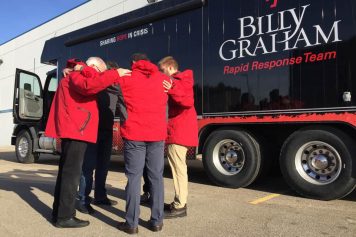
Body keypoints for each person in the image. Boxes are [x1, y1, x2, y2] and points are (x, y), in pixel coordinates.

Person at [45, 57, 130, 228]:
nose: (99, 76)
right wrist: (115, 74)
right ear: (92, 67)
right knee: (71, 175)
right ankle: (65, 217)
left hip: (74, 129)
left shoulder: (75, 74)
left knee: (66, 174)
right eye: (100, 72)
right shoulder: (79, 75)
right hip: (76, 130)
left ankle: (59, 213)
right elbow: (89, 85)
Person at [115, 53, 170, 234]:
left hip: (134, 135)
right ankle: (157, 221)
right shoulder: (163, 79)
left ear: (133, 63)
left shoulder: (126, 78)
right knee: (156, 178)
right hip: (156, 135)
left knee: (133, 178)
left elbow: (101, 83)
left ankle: (131, 224)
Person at [76, 61, 123, 214]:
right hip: (93, 131)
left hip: (107, 130)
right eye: (111, 72)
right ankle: (83, 199)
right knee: (88, 167)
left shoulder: (116, 87)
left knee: (103, 166)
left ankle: (100, 196)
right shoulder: (97, 82)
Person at [158, 56, 198, 218]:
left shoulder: (180, 80)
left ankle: (180, 205)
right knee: (178, 168)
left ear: (169, 67)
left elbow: (187, 101)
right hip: (178, 130)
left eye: (162, 70)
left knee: (179, 169)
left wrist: (171, 88)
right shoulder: (180, 80)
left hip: (179, 131)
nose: (161, 74)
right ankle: (178, 202)